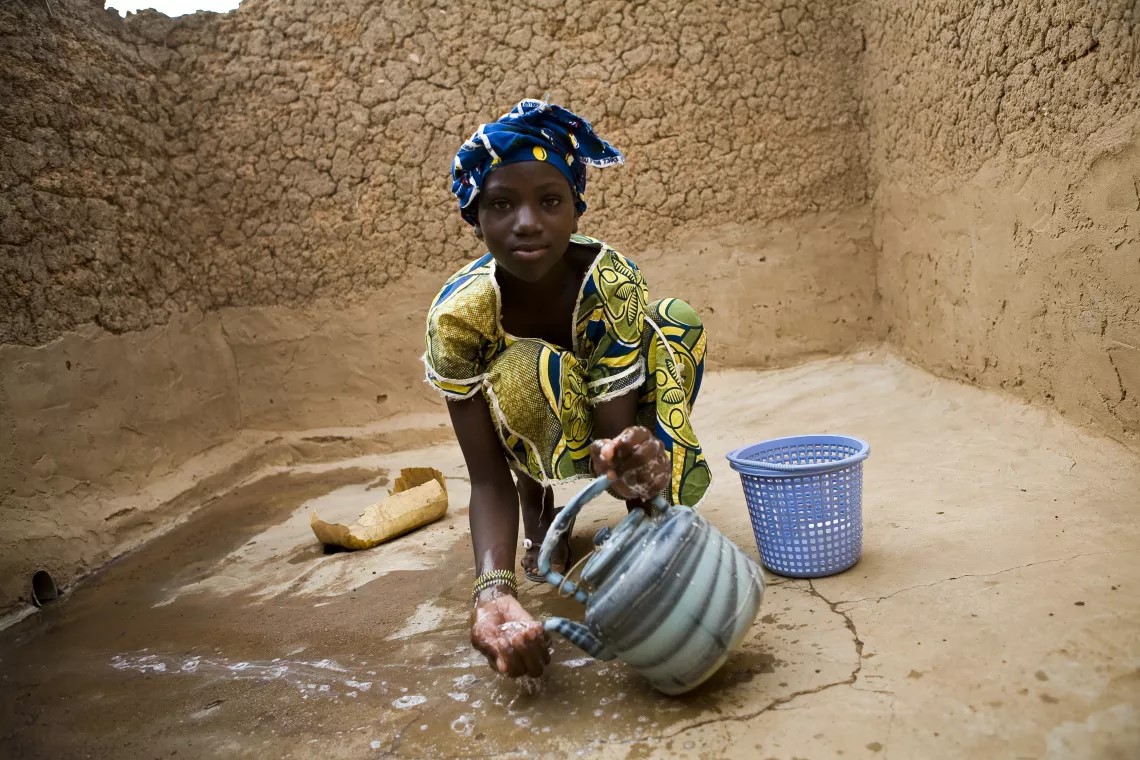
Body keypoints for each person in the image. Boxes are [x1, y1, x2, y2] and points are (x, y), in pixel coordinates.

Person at [423, 99, 711, 678]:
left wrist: (632, 472)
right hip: (527, 422)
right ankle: (539, 516)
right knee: (530, 369)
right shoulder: (457, 318)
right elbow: (485, 478)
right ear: (475, 218)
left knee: (673, 325)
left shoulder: (610, 282)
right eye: (501, 204)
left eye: (550, 201)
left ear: (576, 210)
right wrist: (492, 592)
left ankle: (648, 522)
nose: (527, 222)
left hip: (597, 410)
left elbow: (611, 439)